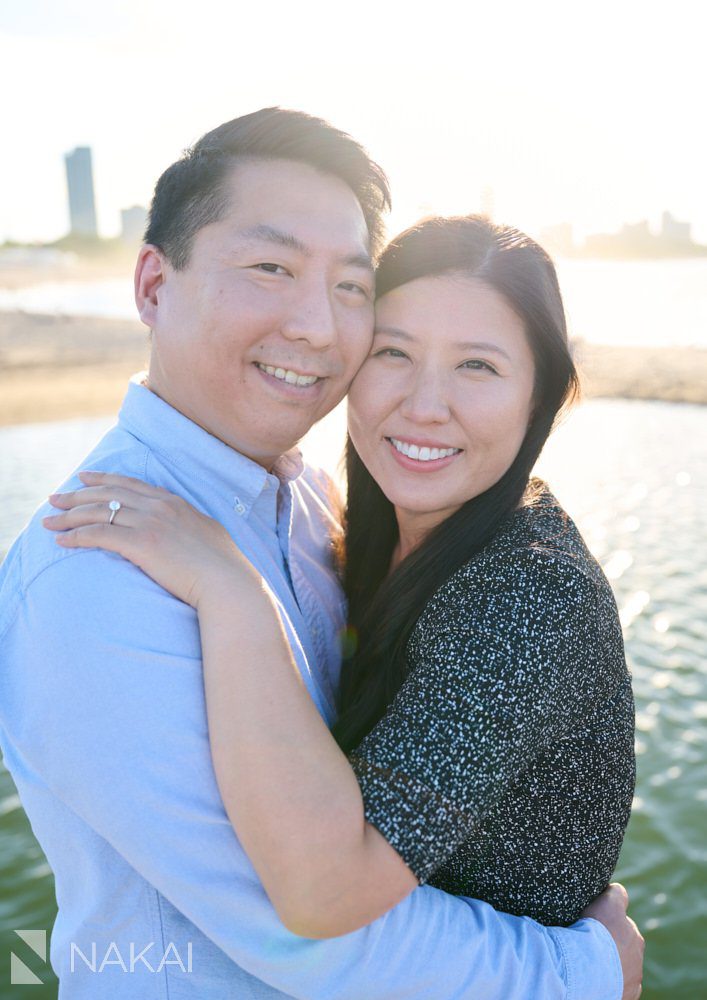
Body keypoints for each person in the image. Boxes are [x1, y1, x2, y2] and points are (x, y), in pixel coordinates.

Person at [0, 109, 642, 999]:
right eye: (270, 268)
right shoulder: (94, 576)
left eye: (348, 286)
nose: (314, 325)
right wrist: (583, 970)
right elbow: (306, 928)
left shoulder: (307, 501)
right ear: (152, 284)